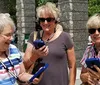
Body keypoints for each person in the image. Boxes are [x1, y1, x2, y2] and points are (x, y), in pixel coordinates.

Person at [23, 2, 76, 85]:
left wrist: (72, 84)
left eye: (49, 19)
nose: (45, 22)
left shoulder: (65, 37)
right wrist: (35, 55)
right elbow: (25, 64)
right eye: (42, 19)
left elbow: (72, 66)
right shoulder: (34, 36)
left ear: (55, 20)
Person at [0, 13, 41, 85]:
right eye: (7, 35)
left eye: (12, 34)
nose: (12, 38)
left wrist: (30, 77)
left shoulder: (13, 49)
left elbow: (21, 74)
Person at [80, 13, 100, 85]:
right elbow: (82, 74)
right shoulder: (89, 50)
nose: (96, 33)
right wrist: (84, 77)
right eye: (92, 31)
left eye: (99, 29)